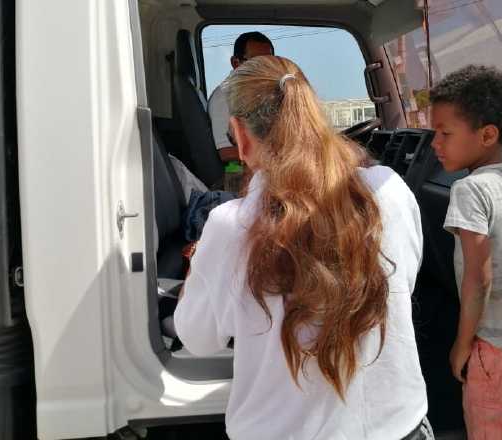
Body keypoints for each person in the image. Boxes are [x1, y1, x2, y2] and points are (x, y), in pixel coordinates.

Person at [174, 56, 432, 440]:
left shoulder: (230, 226)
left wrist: (198, 263)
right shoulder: (390, 189)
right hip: (400, 428)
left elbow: (197, 339)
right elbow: (402, 284)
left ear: (240, 136)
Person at [430, 65, 502, 440]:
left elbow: (478, 278)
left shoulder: (469, 191)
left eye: (445, 133)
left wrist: (462, 346)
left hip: (496, 350)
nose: (435, 143)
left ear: (487, 135)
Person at [207, 32, 274, 162]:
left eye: (269, 62)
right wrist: (276, 159)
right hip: (236, 170)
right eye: (256, 62)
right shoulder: (224, 98)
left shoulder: (258, 93)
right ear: (236, 63)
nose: (265, 68)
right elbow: (227, 154)